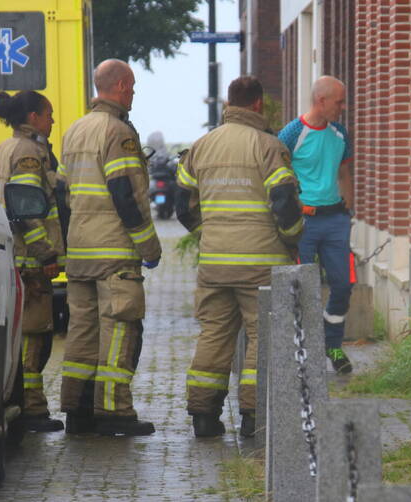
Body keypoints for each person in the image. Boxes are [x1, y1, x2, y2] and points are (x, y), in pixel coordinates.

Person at [175, 76, 302, 438]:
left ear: (228, 105)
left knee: (214, 333)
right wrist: (292, 241)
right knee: (262, 336)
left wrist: (208, 234)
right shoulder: (269, 147)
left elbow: (183, 206)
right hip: (261, 263)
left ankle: (203, 416)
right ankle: (253, 416)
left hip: (214, 262)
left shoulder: (200, 147)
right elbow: (284, 202)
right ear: (259, 104)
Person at [57, 59, 161, 436]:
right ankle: (114, 411)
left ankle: (77, 409)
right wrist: (149, 246)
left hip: (80, 250)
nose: (133, 93)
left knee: (82, 332)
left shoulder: (74, 131)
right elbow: (126, 194)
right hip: (114, 252)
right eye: (131, 86)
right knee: (120, 328)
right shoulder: (118, 133)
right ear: (118, 86)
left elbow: (62, 193)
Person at [0, 90, 65, 432]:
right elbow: (27, 210)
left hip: (11, 257)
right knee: (36, 337)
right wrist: (46, 253)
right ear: (33, 117)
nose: (52, 121)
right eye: (48, 115)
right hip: (30, 261)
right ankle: (32, 409)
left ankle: (22, 404)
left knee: (22, 336)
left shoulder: (3, 148)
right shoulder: (30, 154)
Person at [278, 75, 355, 374]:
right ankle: (304, 352)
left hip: (336, 219)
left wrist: (348, 201)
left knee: (344, 285)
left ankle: (333, 346)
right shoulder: (291, 133)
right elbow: (277, 175)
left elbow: (344, 170)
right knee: (302, 288)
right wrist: (293, 206)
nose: (343, 107)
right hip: (304, 223)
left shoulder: (340, 133)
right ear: (321, 101)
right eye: (339, 101)